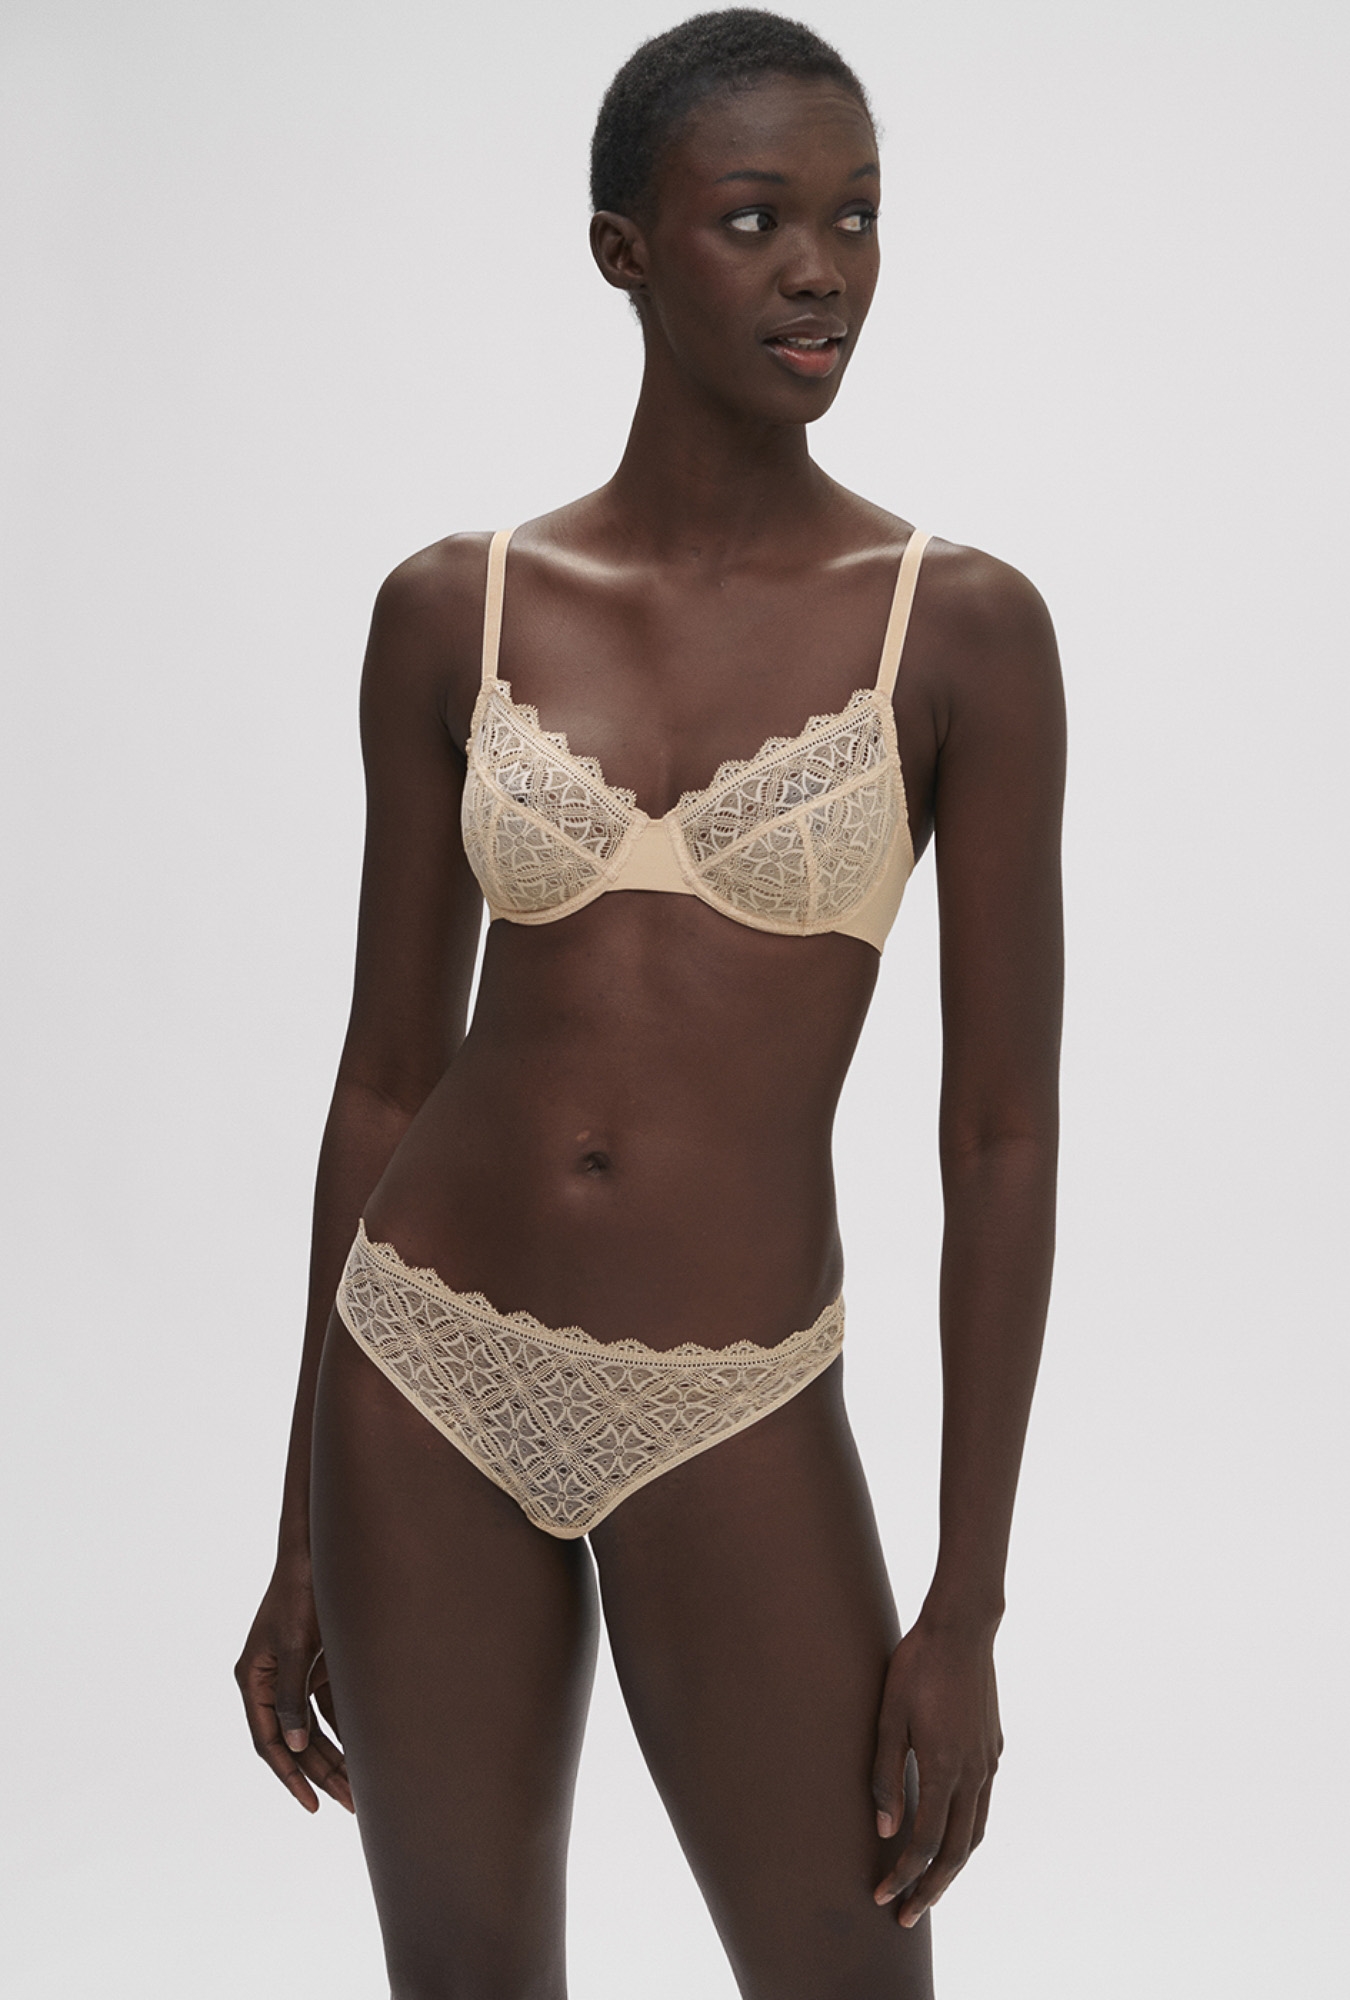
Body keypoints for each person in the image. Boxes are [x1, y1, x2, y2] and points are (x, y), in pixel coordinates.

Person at [235, 11, 1064, 1997]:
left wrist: (965, 1605)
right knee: (465, 1976)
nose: (820, 270)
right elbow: (383, 1078)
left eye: (856, 218)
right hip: (421, 1361)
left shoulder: (956, 629)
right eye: (755, 219)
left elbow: (999, 1134)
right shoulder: (456, 610)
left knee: (847, 1972)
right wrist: (298, 1523)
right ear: (622, 249)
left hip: (733, 1392)